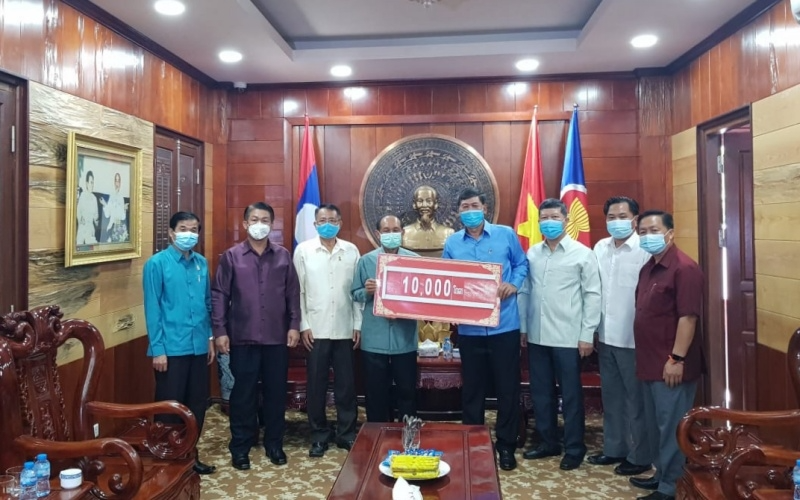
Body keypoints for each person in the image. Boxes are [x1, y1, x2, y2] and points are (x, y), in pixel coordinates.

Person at [441, 187, 529, 471]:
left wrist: (513, 284)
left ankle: (506, 446)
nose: (470, 211)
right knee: (473, 391)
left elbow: (522, 264)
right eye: (464, 207)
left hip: (505, 326)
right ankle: (473, 444)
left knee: (507, 390)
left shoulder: (505, 234)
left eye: (474, 206)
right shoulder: (453, 243)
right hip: (470, 331)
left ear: (485, 208)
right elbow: (446, 280)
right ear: (459, 213)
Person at [211, 202, 301, 471]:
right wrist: (219, 331)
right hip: (242, 337)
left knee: (275, 394)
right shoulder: (231, 257)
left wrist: (294, 325)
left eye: (264, 219)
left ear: (271, 224)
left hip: (276, 338)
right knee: (243, 395)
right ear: (245, 224)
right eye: (254, 219)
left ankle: (274, 444)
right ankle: (241, 447)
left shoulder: (284, 256)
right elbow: (219, 295)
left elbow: (293, 295)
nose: (259, 223)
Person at [519, 198, 601, 471]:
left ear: (566, 220)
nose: (549, 222)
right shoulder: (532, 253)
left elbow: (592, 295)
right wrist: (523, 328)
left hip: (569, 337)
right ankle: (547, 442)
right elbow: (526, 292)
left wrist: (587, 334)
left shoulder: (582, 253)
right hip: (537, 336)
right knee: (541, 393)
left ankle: (575, 447)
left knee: (571, 395)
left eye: (554, 217)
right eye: (544, 218)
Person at [629, 210, 704, 500]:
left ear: (670, 233)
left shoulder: (684, 268)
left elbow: (688, 318)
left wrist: (677, 359)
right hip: (649, 362)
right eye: (643, 231)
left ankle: (671, 486)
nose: (647, 236)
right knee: (657, 423)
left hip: (670, 364)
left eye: (654, 230)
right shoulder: (649, 267)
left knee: (673, 424)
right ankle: (661, 473)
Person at [142, 211, 216, 475]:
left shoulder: (201, 264)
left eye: (194, 229)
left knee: (196, 405)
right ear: (172, 233)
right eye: (183, 228)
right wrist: (158, 349)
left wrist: (209, 338)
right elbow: (153, 310)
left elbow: (207, 304)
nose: (189, 234)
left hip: (198, 347)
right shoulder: (156, 264)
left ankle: (188, 456)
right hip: (171, 349)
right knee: (169, 407)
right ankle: (166, 459)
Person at [587, 196, 653, 476]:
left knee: (635, 401)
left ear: (635, 219)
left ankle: (639, 456)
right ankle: (614, 449)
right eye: (611, 217)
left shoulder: (645, 250)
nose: (616, 221)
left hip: (633, 339)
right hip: (605, 335)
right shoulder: (600, 247)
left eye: (622, 216)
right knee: (611, 397)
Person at [294, 204, 362, 458]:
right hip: (316, 330)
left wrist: (358, 324)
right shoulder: (303, 251)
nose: (327, 224)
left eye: (332, 220)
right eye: (322, 220)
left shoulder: (351, 250)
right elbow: (298, 292)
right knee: (316, 385)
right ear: (314, 224)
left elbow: (357, 294)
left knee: (346, 386)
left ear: (340, 223)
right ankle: (319, 435)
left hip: (345, 329)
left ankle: (346, 434)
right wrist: (304, 325)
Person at [352, 215, 419, 423]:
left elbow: (423, 297)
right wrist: (367, 291)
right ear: (379, 234)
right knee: (375, 393)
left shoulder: (415, 261)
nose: (392, 234)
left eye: (396, 229)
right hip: (375, 338)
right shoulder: (367, 260)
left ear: (403, 232)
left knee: (407, 392)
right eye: (387, 230)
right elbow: (354, 293)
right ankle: (376, 436)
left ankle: (408, 437)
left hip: (405, 338)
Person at [402, 185, 454, 251]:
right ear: (414, 204)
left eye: (429, 201)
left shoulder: (448, 233)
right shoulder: (404, 233)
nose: (424, 205)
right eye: (420, 201)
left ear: (435, 204)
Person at [101, 172, 128, 243]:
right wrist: (104, 204)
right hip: (111, 227)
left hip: (119, 228)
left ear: (120, 183)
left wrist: (124, 209)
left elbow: (123, 217)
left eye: (118, 181)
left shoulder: (121, 198)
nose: (117, 183)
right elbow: (107, 214)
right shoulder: (111, 196)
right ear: (114, 182)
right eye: (116, 180)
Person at [76, 170, 99, 245]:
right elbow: (78, 211)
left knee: (93, 246)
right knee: (79, 244)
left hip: (90, 230)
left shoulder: (94, 199)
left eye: (93, 182)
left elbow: (96, 218)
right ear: (86, 183)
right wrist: (80, 218)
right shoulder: (82, 195)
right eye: (91, 182)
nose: (92, 185)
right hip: (82, 228)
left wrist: (97, 221)